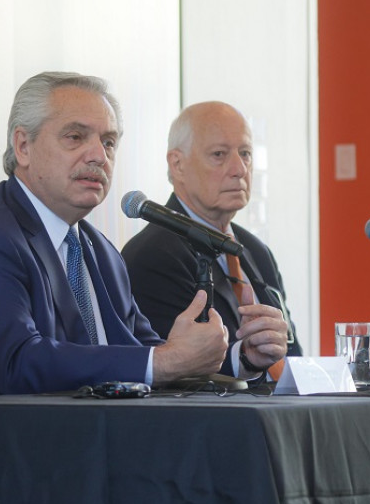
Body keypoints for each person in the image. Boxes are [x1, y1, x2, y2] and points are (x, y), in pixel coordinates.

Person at [0, 72, 229, 398]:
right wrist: (165, 361)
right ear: (23, 146)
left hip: (80, 437)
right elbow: (20, 364)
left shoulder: (99, 249)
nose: (99, 155)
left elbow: (141, 350)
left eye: (109, 142)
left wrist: (235, 357)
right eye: (75, 137)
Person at [121, 101, 302, 382]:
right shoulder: (153, 254)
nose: (239, 169)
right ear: (177, 164)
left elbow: (291, 352)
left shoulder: (255, 250)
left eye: (245, 154)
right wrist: (245, 359)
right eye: (219, 154)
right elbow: (176, 368)